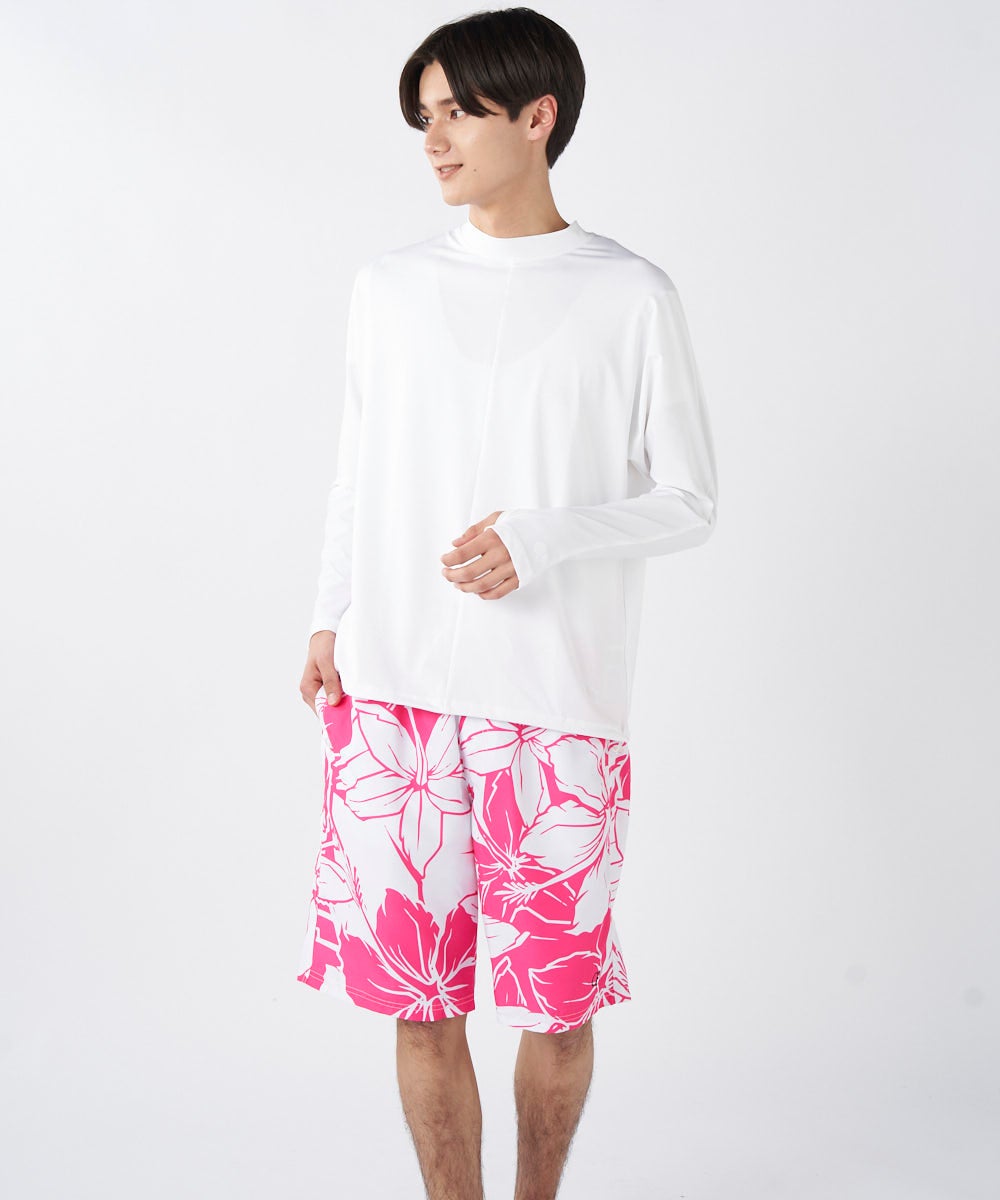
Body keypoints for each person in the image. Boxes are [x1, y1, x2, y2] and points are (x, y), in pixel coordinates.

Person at [296, 8, 719, 1199]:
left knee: (556, 1003)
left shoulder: (627, 294)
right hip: (393, 697)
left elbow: (690, 499)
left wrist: (541, 540)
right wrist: (329, 616)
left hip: (554, 704)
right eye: (422, 117)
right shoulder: (388, 287)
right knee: (419, 1004)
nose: (432, 140)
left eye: (458, 113)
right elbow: (359, 467)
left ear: (537, 117)